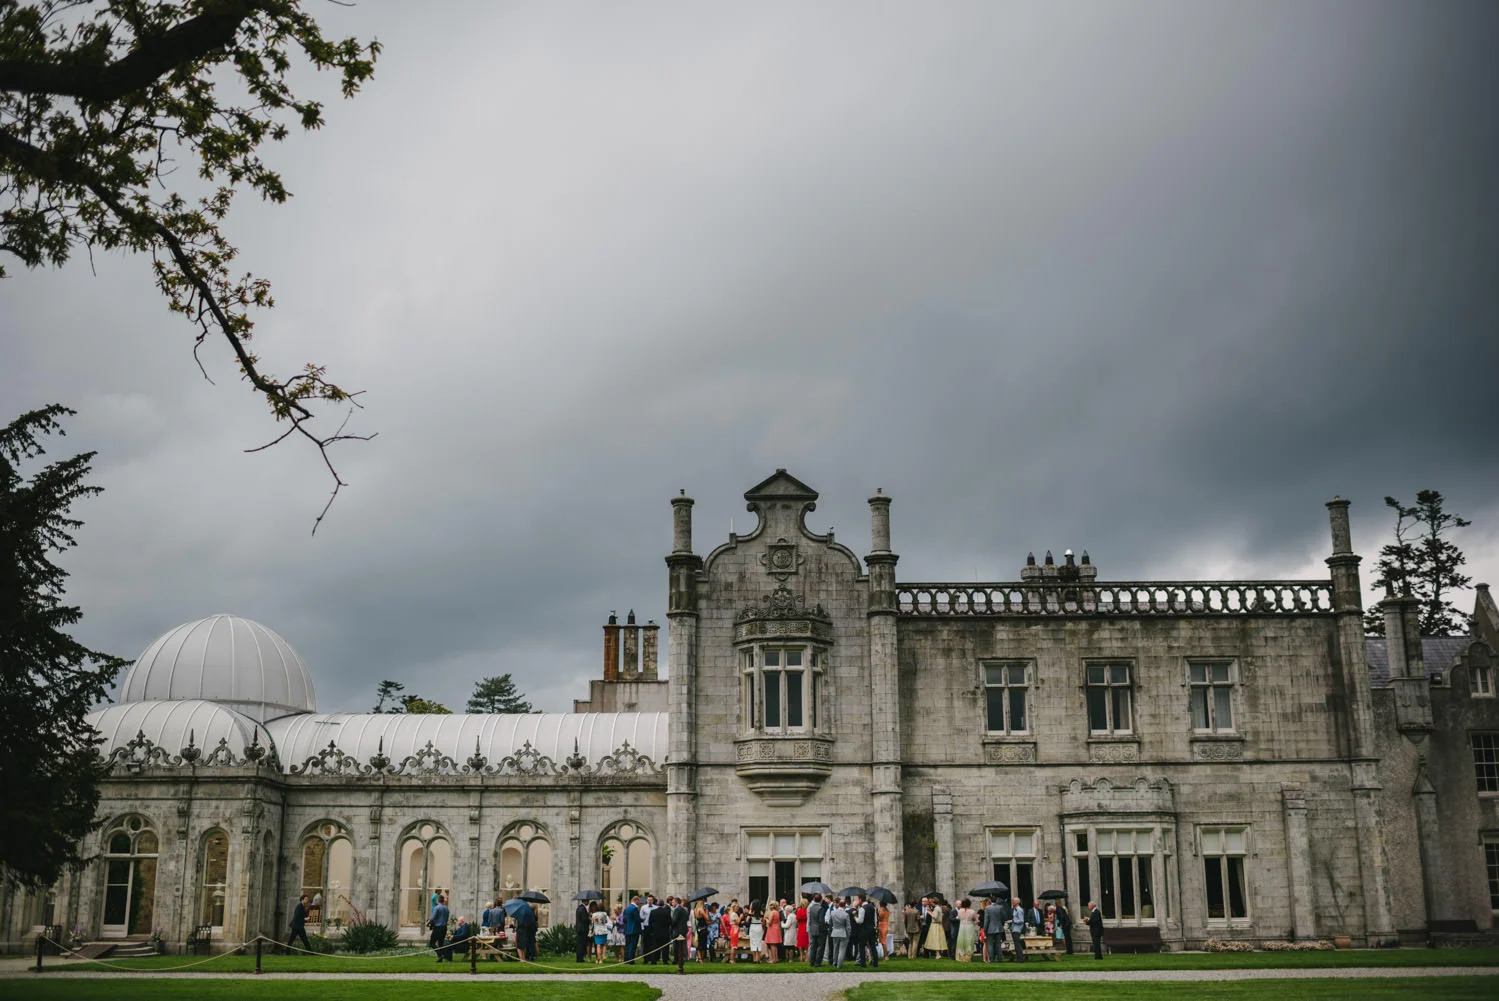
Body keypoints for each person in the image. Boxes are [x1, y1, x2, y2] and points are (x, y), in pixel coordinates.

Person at [647, 894, 671, 964]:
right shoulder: (666, 912)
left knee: (654, 947)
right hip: (665, 932)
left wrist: (651, 931)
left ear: (657, 904)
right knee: (665, 948)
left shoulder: (653, 912)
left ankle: (653, 960)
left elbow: (650, 922)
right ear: (663, 905)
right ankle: (665, 960)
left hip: (655, 932)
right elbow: (669, 922)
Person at [982, 896, 1006, 963]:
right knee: (998, 944)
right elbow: (1003, 918)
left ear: (990, 900)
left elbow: (986, 920)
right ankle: (1000, 959)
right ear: (996, 900)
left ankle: (991, 959)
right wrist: (1001, 925)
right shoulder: (1000, 907)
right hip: (999, 928)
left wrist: (985, 929)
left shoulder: (987, 908)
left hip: (990, 929)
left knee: (990, 945)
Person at [827, 898, 850, 968]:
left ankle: (835, 963)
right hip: (843, 933)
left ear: (839, 905)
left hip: (835, 932)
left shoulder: (833, 913)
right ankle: (839, 965)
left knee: (835, 949)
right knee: (842, 950)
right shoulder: (846, 914)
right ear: (845, 906)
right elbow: (848, 927)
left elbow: (830, 923)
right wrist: (848, 934)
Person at [671, 896, 690, 971]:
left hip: (678, 930)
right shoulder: (683, 909)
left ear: (676, 902)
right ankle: (683, 958)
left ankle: (677, 960)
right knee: (683, 945)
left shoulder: (677, 910)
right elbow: (687, 918)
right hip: (684, 929)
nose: (672, 903)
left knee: (676, 946)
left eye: (673, 902)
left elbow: (674, 920)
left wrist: (671, 925)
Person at [429, 894, 450, 958]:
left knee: (432, 942)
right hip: (444, 927)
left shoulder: (437, 908)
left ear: (438, 900)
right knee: (441, 943)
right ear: (443, 900)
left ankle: (440, 953)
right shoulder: (447, 909)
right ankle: (440, 957)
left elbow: (432, 918)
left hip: (438, 927)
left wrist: (428, 922)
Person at [1007, 897, 1027, 962]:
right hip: (1014, 928)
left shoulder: (1019, 910)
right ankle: (1019, 958)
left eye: (1013, 901)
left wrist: (1012, 921)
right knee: (1016, 944)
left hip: (1017, 929)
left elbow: (1021, 920)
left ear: (1017, 902)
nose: (1012, 902)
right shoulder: (1015, 909)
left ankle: (1020, 958)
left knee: (1017, 944)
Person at [624, 895, 642, 963]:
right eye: (638, 901)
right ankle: (631, 960)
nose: (639, 902)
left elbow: (625, 919)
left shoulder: (627, 908)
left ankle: (626, 959)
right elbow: (637, 919)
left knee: (628, 945)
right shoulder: (634, 908)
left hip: (628, 929)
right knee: (633, 945)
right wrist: (642, 919)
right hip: (634, 929)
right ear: (636, 900)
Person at [574, 897, 590, 964]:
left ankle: (579, 958)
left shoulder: (578, 908)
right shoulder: (583, 909)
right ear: (585, 901)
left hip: (579, 928)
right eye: (588, 901)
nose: (588, 902)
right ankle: (580, 958)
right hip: (582, 929)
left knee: (579, 944)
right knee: (581, 944)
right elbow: (584, 919)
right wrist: (588, 917)